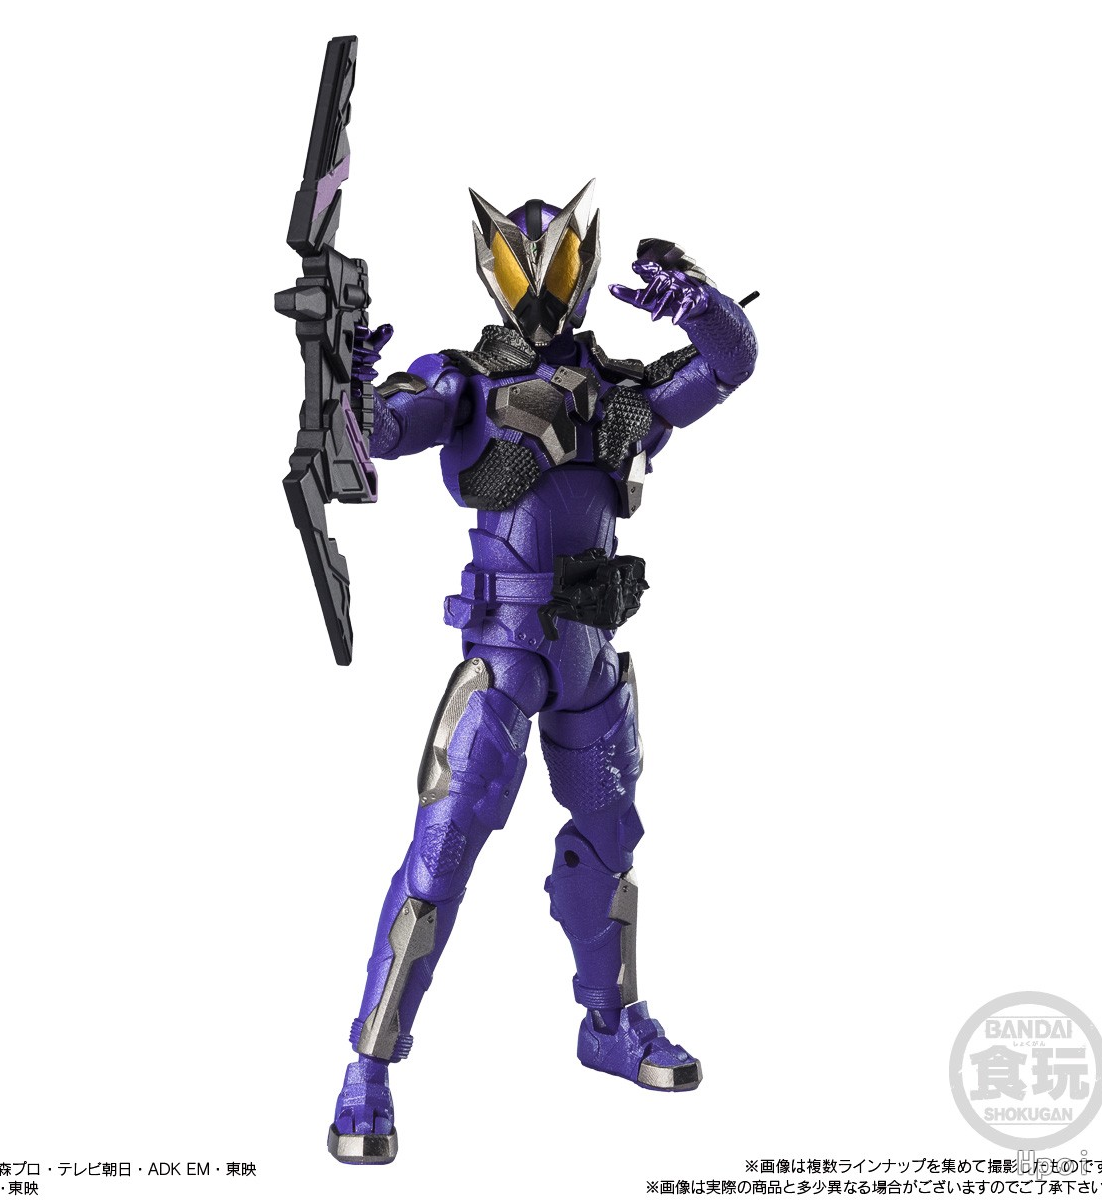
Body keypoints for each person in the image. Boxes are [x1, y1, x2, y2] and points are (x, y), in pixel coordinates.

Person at [328, 182, 758, 1164]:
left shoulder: (620, 391)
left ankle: (610, 1023)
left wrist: (699, 302)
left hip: (589, 650)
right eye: (524, 267)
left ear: (583, 264)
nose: (541, 288)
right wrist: (347, 376)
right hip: (505, 655)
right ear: (494, 268)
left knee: (610, 840)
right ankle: (369, 1067)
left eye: (558, 265)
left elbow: (730, 366)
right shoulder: (467, 383)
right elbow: (376, 434)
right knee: (444, 847)